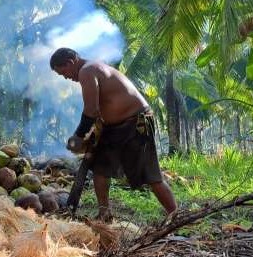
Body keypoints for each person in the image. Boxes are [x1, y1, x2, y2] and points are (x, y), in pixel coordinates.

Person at [50, 47, 177, 222]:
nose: (67, 78)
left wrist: (78, 136)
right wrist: (93, 132)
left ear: (71, 62)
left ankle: (176, 214)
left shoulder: (87, 71)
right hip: (114, 126)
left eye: (64, 73)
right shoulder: (93, 68)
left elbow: (91, 111)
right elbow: (99, 109)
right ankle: (104, 213)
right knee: (100, 168)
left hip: (135, 122)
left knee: (150, 174)